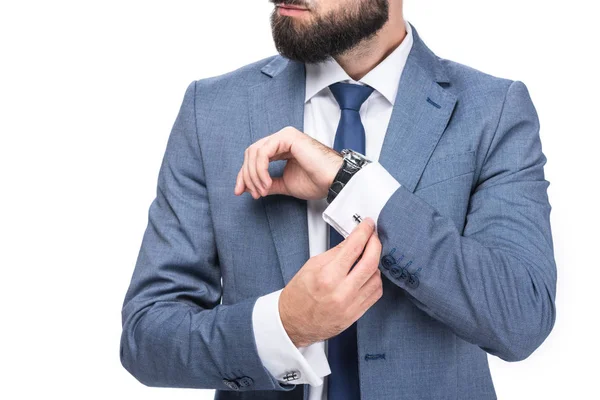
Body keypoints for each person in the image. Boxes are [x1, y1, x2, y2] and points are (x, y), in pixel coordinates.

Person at [119, 0, 557, 399]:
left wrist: (350, 183)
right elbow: (147, 336)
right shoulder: (212, 110)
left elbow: (520, 318)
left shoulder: (493, 111)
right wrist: (285, 324)